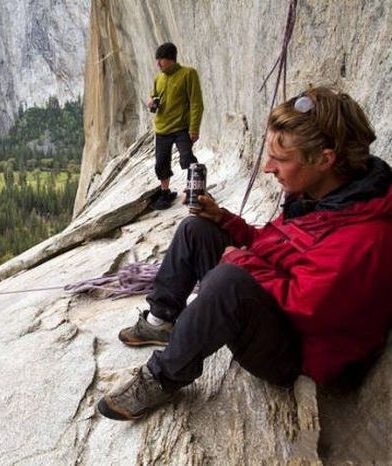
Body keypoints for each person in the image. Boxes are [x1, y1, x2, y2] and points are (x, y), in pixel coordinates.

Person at [97, 87, 392, 421]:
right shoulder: (326, 195)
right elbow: (278, 248)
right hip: (282, 317)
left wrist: (240, 261)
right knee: (198, 230)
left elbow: (307, 307)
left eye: (280, 159)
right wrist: (226, 222)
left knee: (228, 282)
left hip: (301, 353)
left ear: (325, 159)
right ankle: (160, 320)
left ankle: (162, 377)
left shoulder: (364, 235)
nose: (268, 168)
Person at [147, 42, 204, 210]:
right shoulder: (158, 78)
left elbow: (196, 103)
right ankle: (165, 192)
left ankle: (195, 189)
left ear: (171, 59)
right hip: (162, 128)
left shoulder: (188, 74)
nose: (158, 64)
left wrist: (194, 128)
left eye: (161, 60)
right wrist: (151, 104)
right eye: (157, 60)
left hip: (181, 127)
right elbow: (154, 98)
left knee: (187, 158)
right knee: (161, 163)